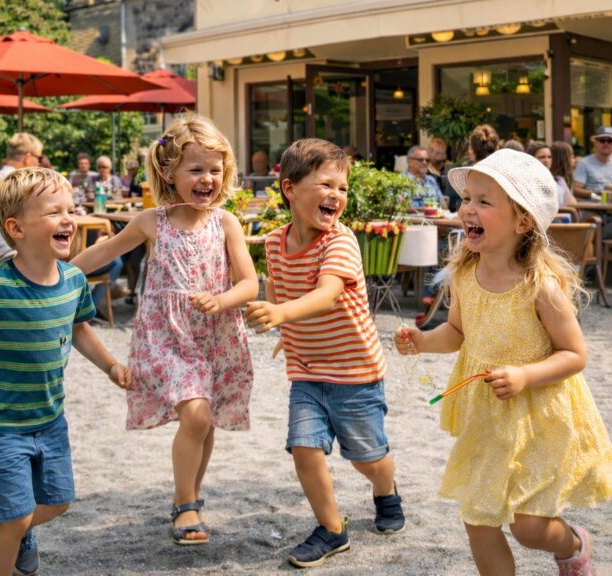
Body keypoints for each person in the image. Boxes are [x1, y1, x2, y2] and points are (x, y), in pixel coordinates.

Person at [394, 149, 612, 576]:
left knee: (529, 527)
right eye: (467, 199)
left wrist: (524, 374)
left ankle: (572, 544)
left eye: (484, 201)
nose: (468, 209)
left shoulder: (540, 286)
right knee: (478, 519)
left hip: (538, 419)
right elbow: (457, 333)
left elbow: (575, 354)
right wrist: (421, 341)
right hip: (486, 416)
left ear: (523, 221)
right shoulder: (463, 274)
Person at [0, 166, 131, 576]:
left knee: (59, 502)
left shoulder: (73, 280)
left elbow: (78, 329)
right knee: (12, 516)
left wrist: (110, 364)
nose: (68, 219)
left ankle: (21, 530)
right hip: (1, 423)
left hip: (50, 419)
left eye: (70, 209)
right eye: (54, 212)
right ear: (16, 228)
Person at [72, 114, 257, 545]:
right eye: (196, 169)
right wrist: (52, 271)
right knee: (195, 414)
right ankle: (184, 503)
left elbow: (249, 283)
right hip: (168, 337)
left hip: (216, 334)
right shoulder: (151, 221)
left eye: (215, 169)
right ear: (169, 172)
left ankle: (190, 495)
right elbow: (100, 253)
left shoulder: (225, 222)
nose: (206, 178)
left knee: (204, 421)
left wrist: (223, 300)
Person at [245, 138, 404, 569]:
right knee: (303, 447)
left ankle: (385, 489)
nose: (337, 195)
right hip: (308, 371)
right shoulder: (275, 243)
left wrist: (280, 312)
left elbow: (327, 294)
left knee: (367, 459)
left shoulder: (342, 241)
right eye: (326, 184)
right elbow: (278, 286)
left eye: (343, 187)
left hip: (356, 372)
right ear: (289, 189)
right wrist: (283, 324)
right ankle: (333, 529)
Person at [0, 133, 45, 269]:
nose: (39, 162)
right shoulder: (13, 180)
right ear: (28, 157)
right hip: (6, 251)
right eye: (39, 157)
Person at [573, 125, 612, 200]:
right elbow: (576, 190)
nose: (606, 143)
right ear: (595, 143)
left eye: (610, 141)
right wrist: (599, 193)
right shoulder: (584, 163)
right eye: (602, 140)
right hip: (591, 209)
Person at [551, 141, 579, 209]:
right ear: (565, 160)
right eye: (572, 157)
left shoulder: (562, 178)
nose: (574, 160)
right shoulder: (558, 180)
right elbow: (572, 204)